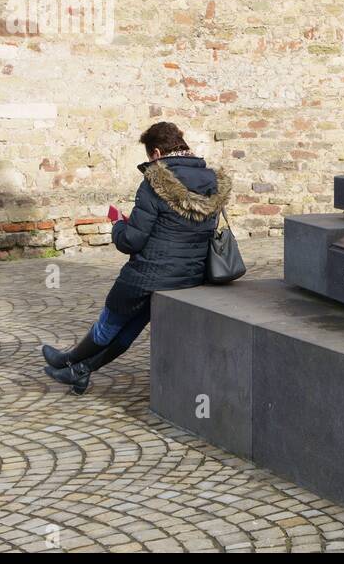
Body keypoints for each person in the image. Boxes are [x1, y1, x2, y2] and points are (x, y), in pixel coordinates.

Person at [43, 122, 232, 394]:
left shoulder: (154, 183)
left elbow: (131, 241)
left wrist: (118, 225)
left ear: (156, 153)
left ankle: (68, 360)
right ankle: (80, 371)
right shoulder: (213, 182)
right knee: (130, 329)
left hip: (148, 275)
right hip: (188, 276)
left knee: (109, 325)